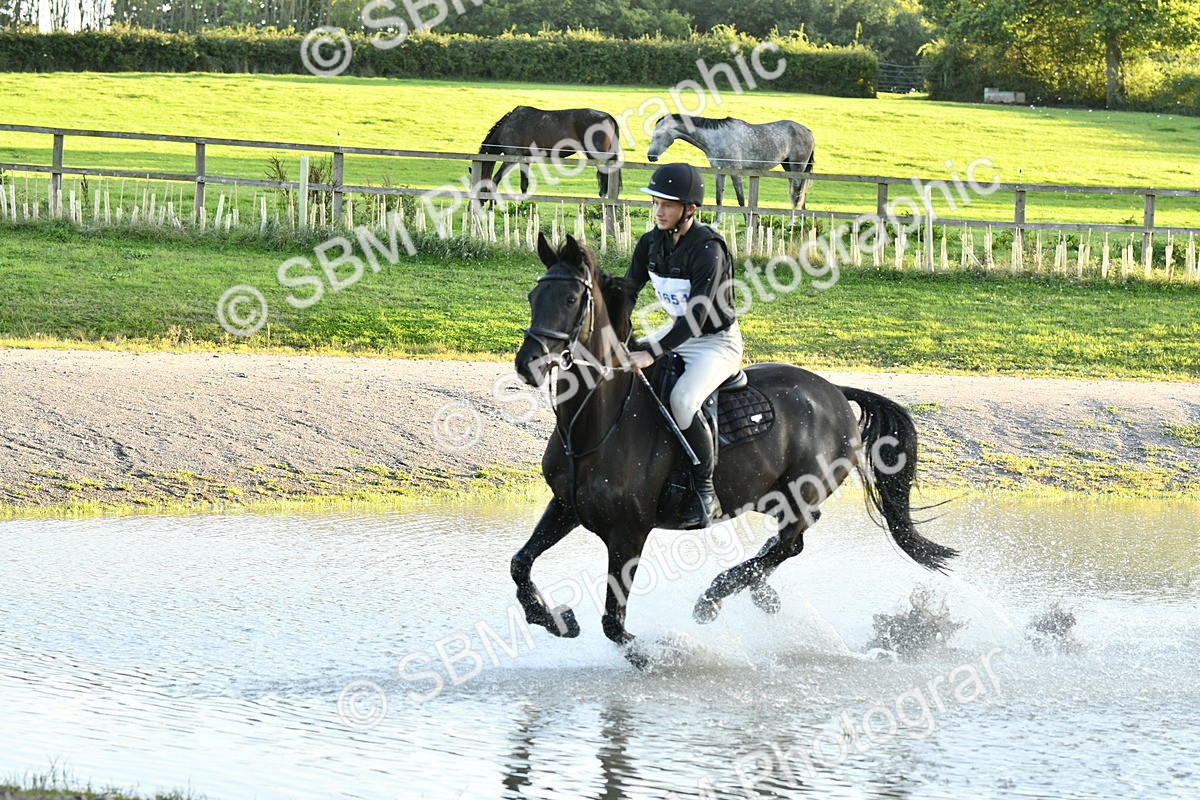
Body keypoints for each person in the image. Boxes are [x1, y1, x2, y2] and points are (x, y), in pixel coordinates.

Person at [625, 162, 742, 529]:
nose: (659, 211)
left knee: (681, 400)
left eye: (668, 205)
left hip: (714, 343)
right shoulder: (650, 243)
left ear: (690, 209)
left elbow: (697, 317)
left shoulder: (708, 249)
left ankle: (705, 491)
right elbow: (628, 291)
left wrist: (651, 351)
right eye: (656, 203)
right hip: (676, 333)